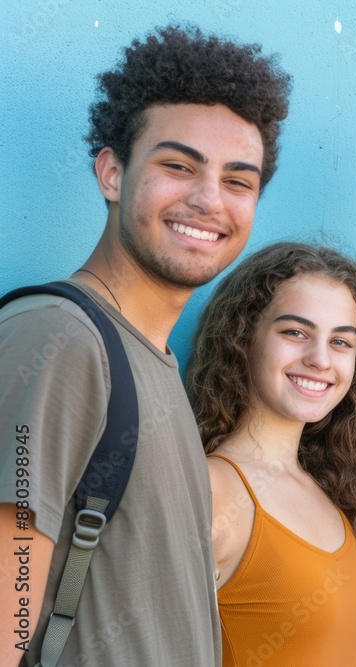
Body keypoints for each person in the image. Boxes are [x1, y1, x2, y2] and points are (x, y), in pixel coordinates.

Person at [0, 25, 290, 666]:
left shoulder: (154, 363)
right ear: (112, 172)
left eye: (239, 181)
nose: (209, 199)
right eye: (178, 166)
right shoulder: (62, 338)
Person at [186, 242, 356, 666]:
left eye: (341, 342)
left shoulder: (334, 490)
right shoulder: (210, 490)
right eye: (295, 332)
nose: (320, 359)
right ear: (245, 336)